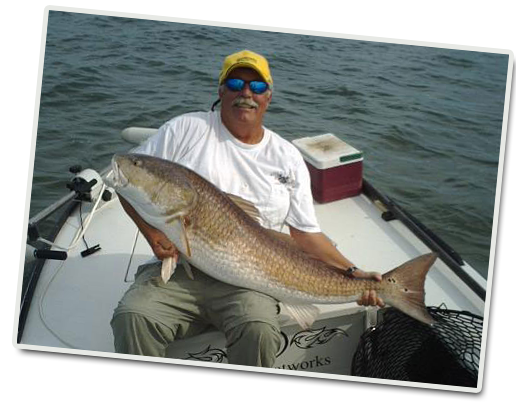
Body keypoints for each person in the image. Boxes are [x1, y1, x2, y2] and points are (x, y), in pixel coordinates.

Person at [111, 50, 384, 367]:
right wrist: (152, 233)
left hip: (251, 279)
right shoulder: (186, 129)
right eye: (237, 83)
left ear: (268, 97)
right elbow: (124, 182)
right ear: (221, 90)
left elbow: (306, 234)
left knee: (258, 328)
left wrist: (354, 273)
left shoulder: (287, 156)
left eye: (256, 88)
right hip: (181, 271)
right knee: (133, 316)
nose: (246, 94)